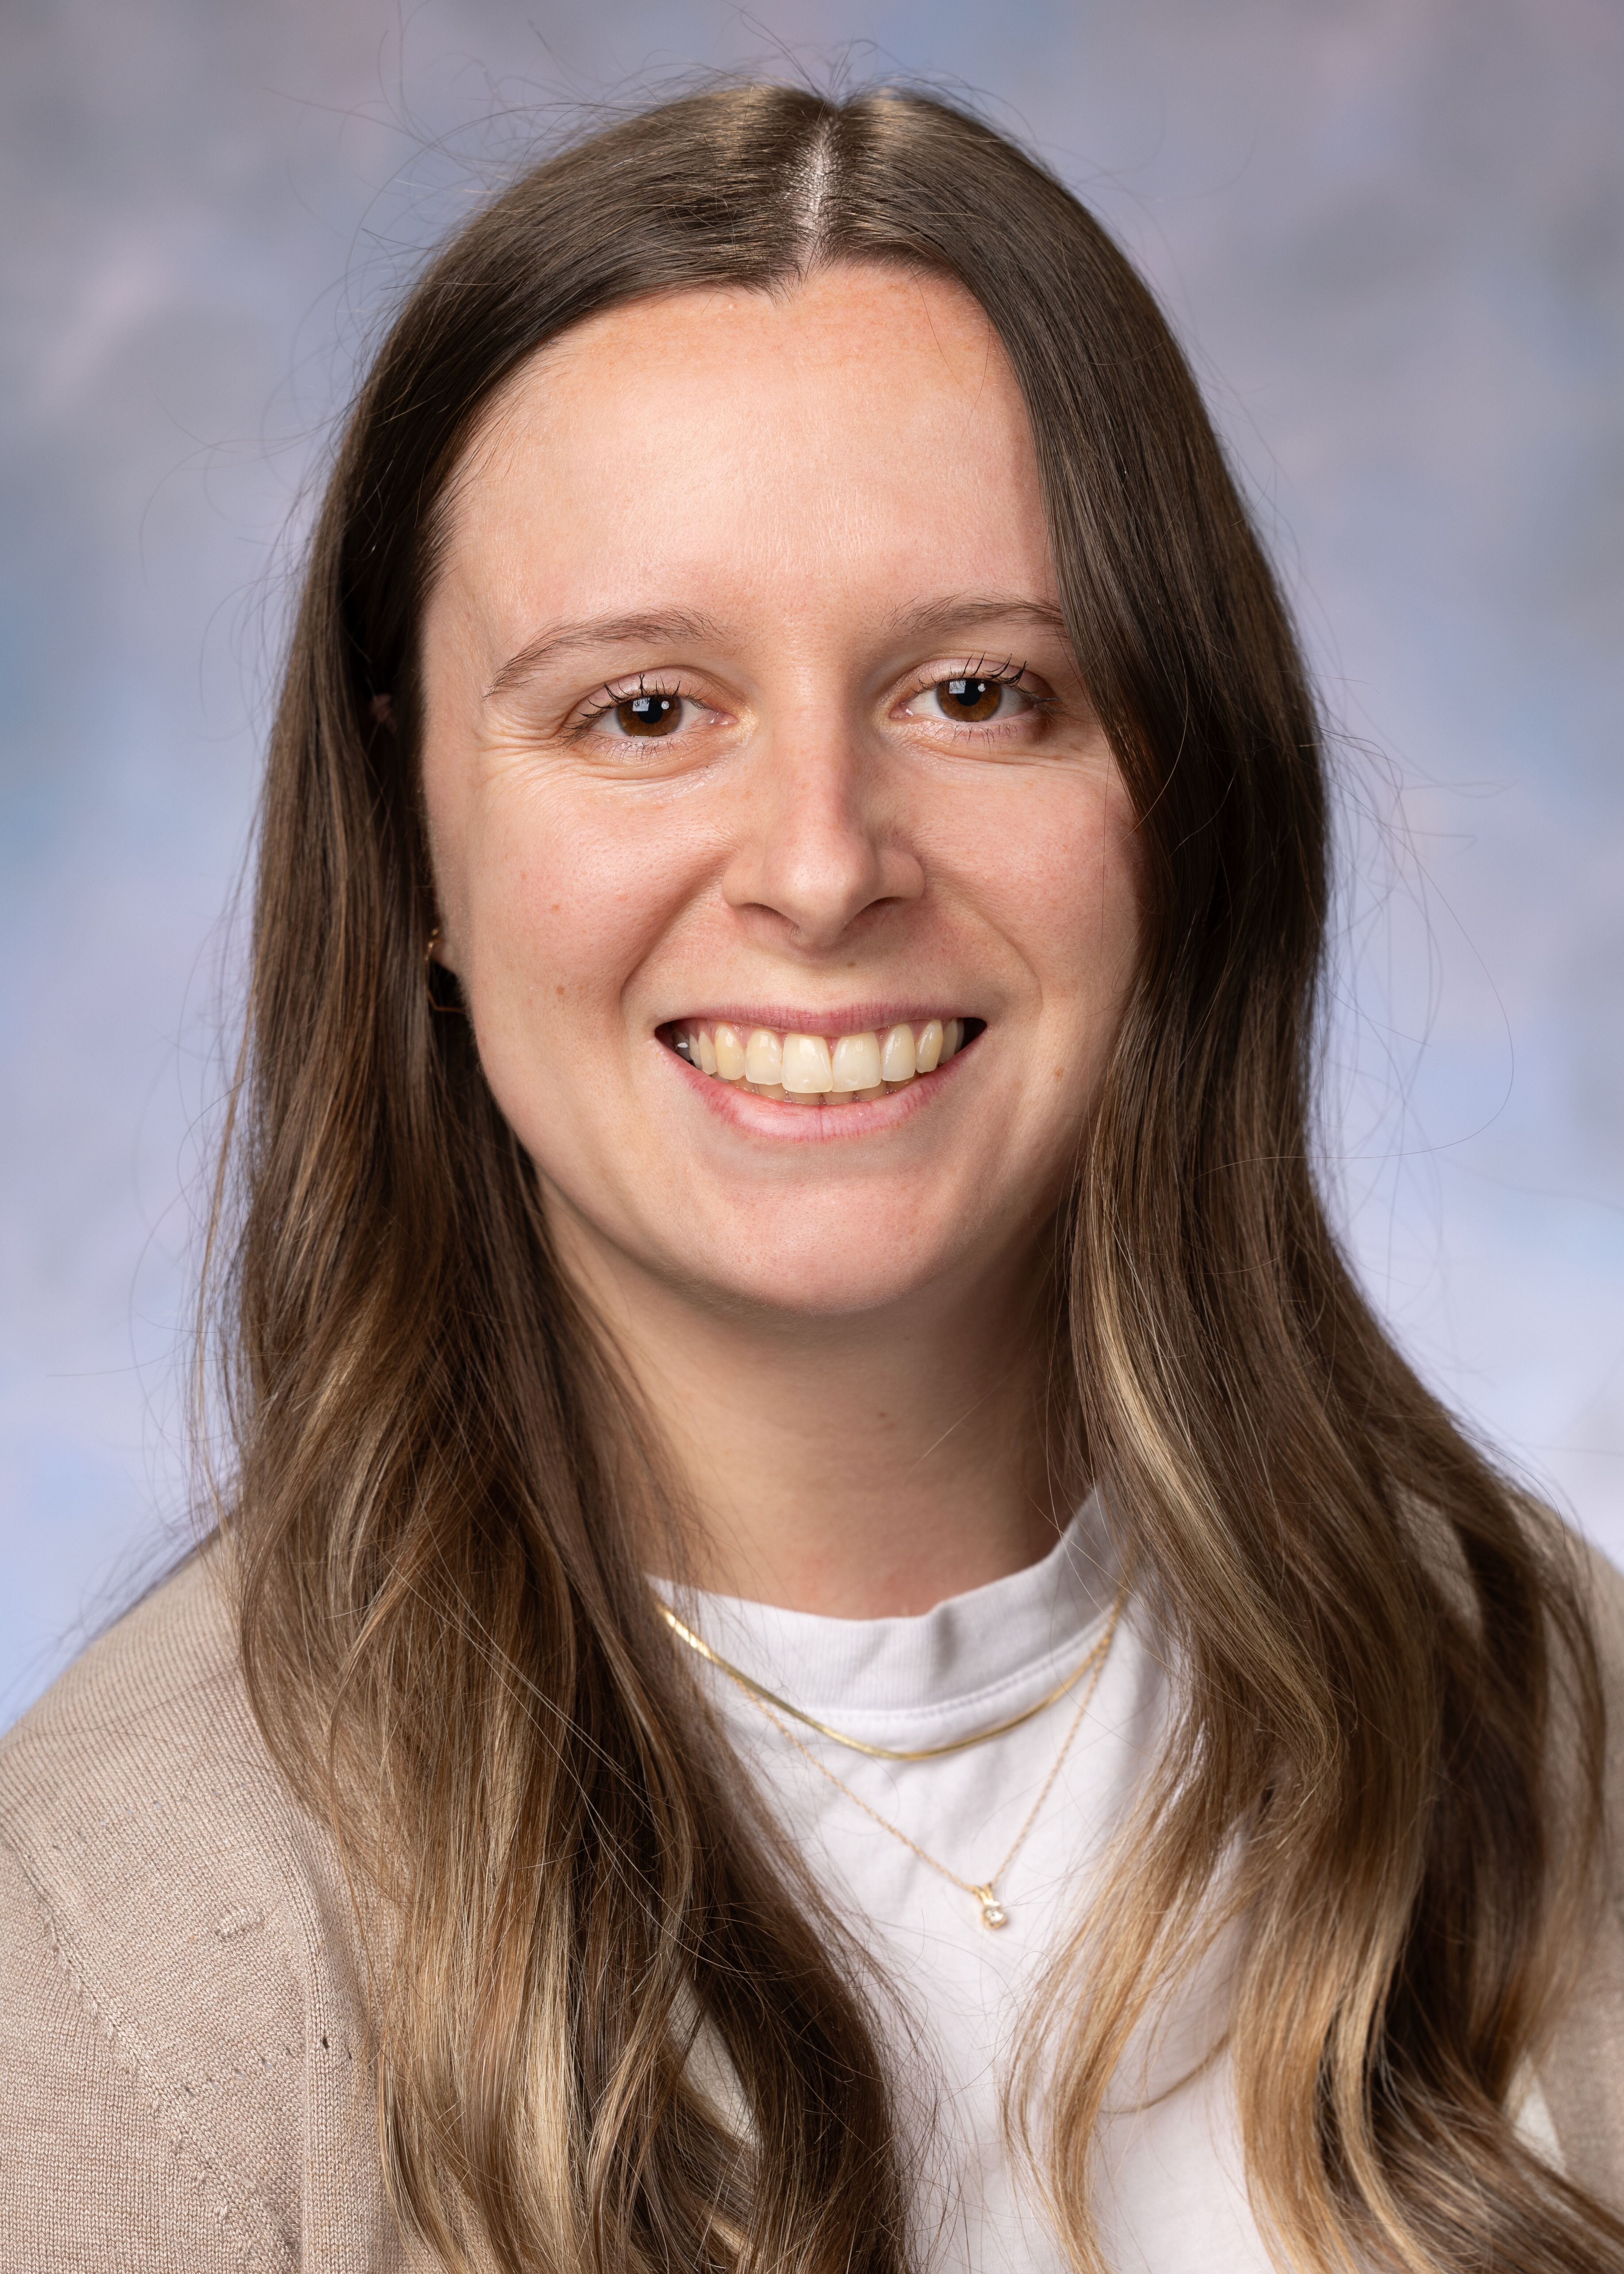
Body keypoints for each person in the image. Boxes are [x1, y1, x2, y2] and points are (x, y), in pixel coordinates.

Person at [1, 81, 1620, 2274]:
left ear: (1184, 788)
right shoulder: (112, 1947)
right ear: (414, 855)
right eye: (642, 715)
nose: (823, 866)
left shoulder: (1556, 1728)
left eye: (978, 692)